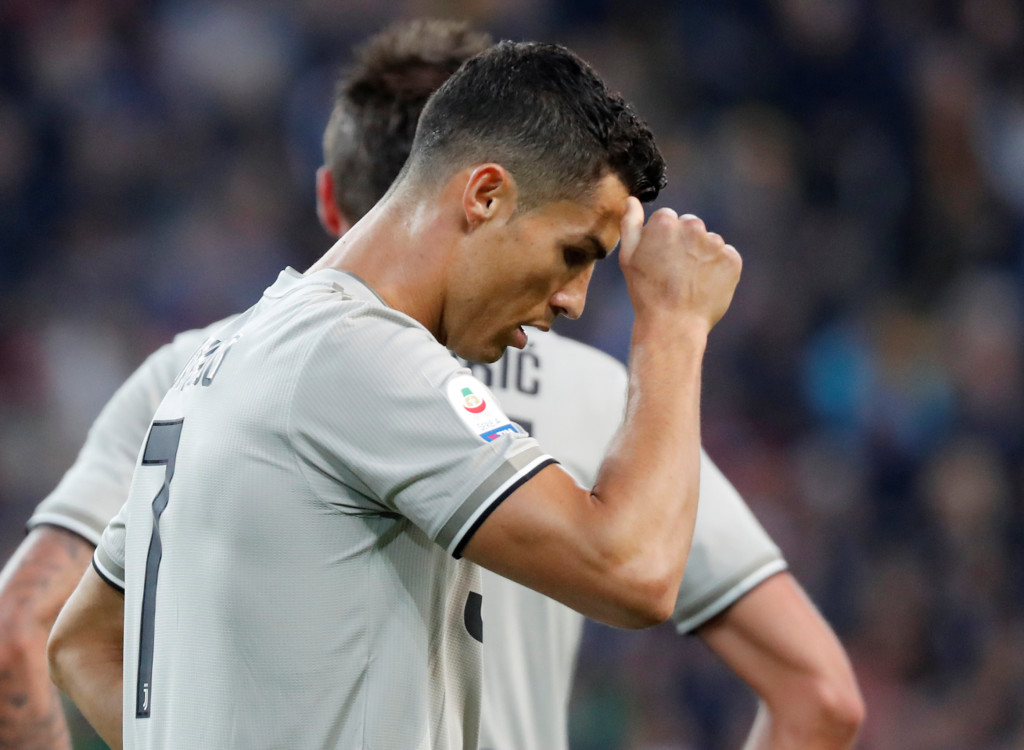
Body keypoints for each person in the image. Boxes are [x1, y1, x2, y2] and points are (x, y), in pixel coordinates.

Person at [0, 19, 862, 750]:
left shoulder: (220, 357)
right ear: (485, 194)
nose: (573, 300)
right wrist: (673, 326)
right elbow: (634, 571)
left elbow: (80, 641)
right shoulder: (363, 356)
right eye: (575, 253)